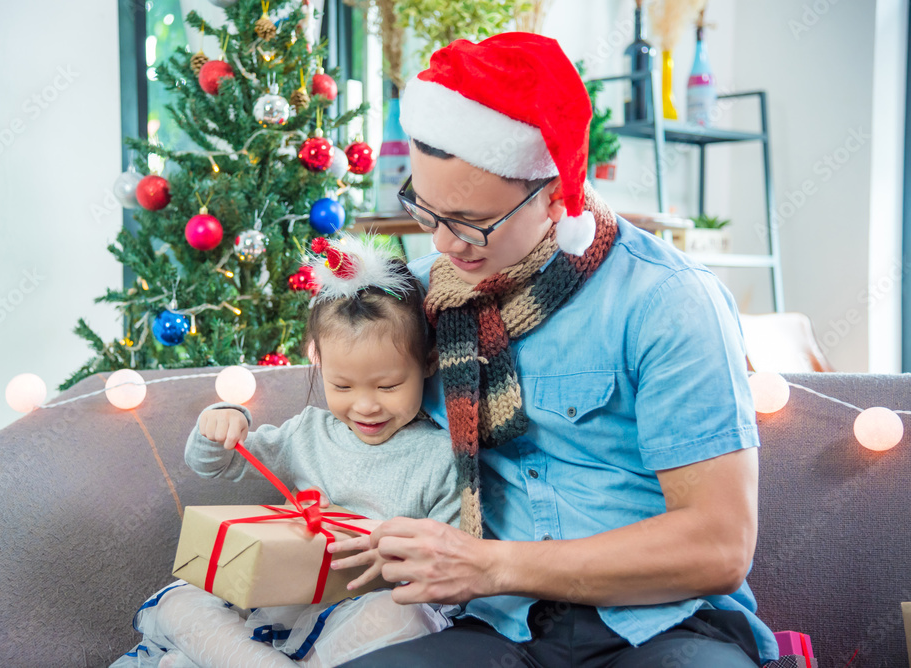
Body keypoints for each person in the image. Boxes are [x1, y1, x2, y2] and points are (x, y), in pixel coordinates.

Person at [327, 33, 778, 668]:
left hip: (662, 626)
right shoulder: (425, 297)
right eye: (427, 212)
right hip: (496, 630)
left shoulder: (669, 301)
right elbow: (342, 400)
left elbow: (719, 547)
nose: (448, 245)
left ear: (553, 195)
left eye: (473, 221)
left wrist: (489, 564)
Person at [113, 236, 466, 668]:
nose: (366, 405)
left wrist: (398, 559)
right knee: (180, 603)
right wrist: (221, 421)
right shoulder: (309, 433)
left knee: (401, 618)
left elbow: (451, 566)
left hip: (360, 617)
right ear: (320, 365)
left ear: (428, 363)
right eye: (342, 386)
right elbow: (214, 464)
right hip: (279, 600)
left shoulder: (441, 457)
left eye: (388, 386)